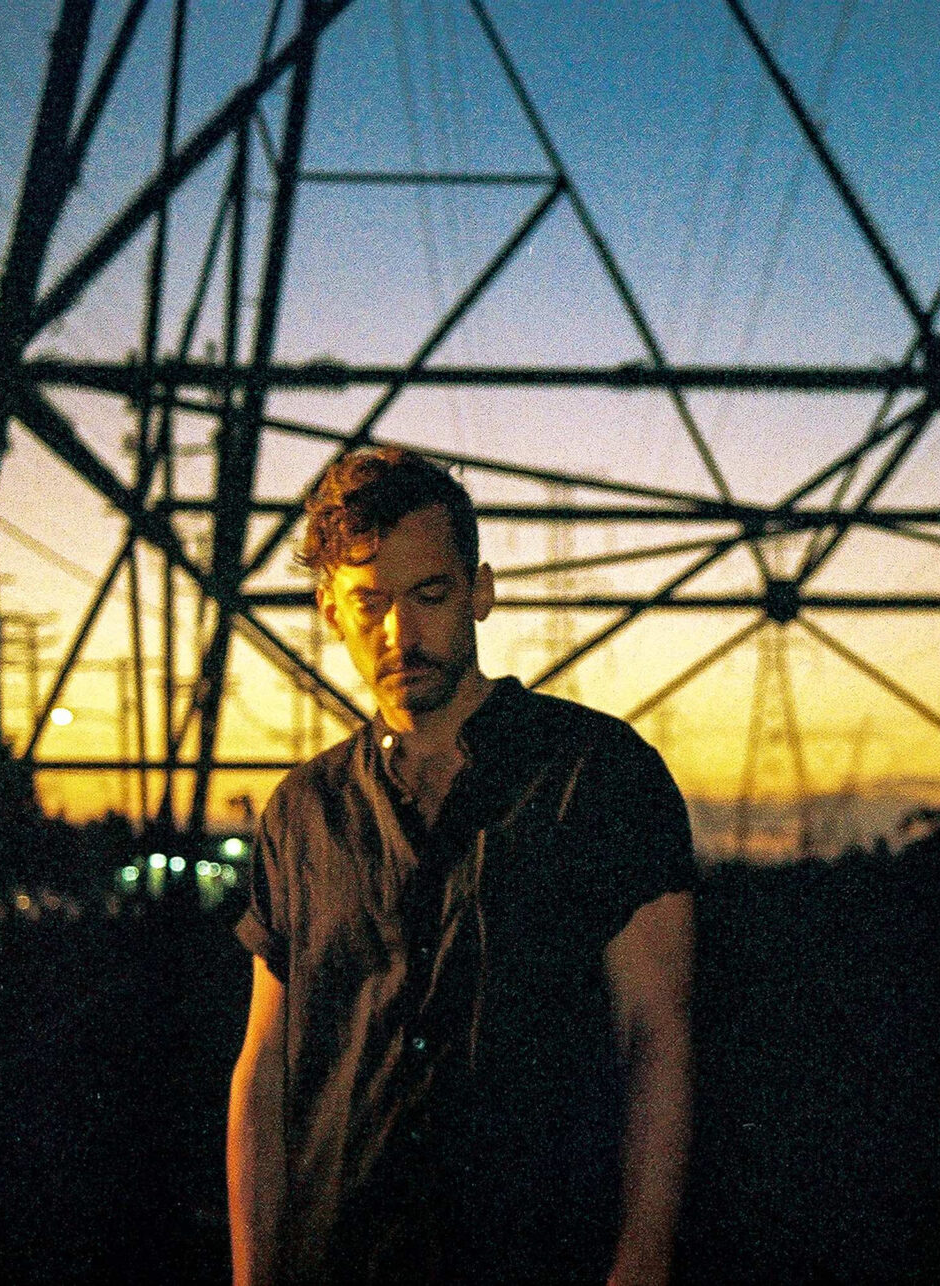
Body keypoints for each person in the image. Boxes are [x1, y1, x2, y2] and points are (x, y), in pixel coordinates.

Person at [227, 447, 696, 1285]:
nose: (400, 634)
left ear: (480, 592)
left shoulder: (601, 774)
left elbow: (655, 1035)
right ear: (330, 611)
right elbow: (265, 1068)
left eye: (430, 595)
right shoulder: (302, 812)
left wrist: (643, 1261)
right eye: (369, 603)